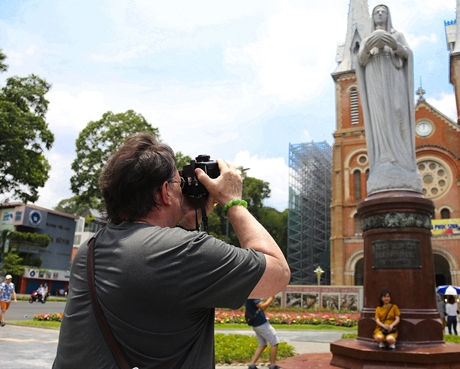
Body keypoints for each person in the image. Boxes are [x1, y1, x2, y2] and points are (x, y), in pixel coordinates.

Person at [53, 133, 290, 368]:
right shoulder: (185, 252)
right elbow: (278, 273)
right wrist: (232, 200)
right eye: (179, 184)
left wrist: (186, 224)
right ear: (166, 192)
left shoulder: (89, 250)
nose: (182, 191)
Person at [352, 4, 421, 193]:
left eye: (383, 12)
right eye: (376, 12)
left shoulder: (397, 35)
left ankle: (402, 160)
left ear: (388, 15)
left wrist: (393, 44)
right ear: (372, 17)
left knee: (398, 112)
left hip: (394, 80)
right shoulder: (367, 38)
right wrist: (368, 47)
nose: (380, 14)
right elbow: (360, 61)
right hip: (375, 82)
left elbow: (407, 55)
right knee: (380, 119)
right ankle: (385, 157)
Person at [245, 297, 280, 369]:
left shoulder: (248, 296)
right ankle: (273, 365)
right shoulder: (252, 296)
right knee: (274, 342)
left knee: (262, 344)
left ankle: (252, 365)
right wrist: (271, 298)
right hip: (261, 324)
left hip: (256, 324)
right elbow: (262, 307)